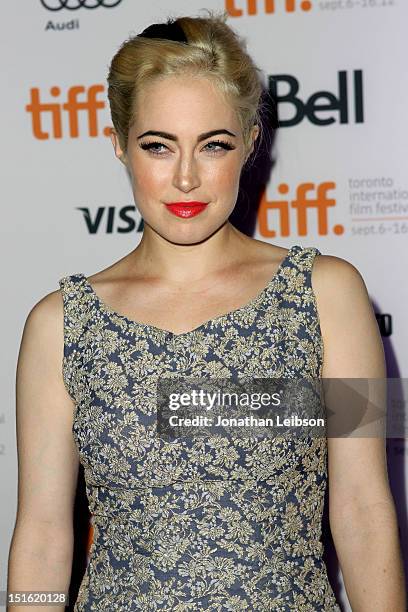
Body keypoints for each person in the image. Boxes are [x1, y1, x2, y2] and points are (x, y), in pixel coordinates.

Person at [7, 9, 406, 611]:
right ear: (118, 144)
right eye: (158, 146)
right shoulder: (60, 324)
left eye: (212, 145)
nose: (187, 178)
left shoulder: (327, 295)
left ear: (250, 144)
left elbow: (362, 508)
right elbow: (41, 536)